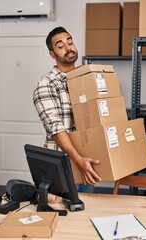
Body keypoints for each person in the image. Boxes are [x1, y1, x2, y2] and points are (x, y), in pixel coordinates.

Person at [33, 26, 102, 188]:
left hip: (86, 160)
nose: (68, 48)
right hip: (61, 163)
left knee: (85, 209)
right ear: (52, 54)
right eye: (60, 46)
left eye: (70, 42)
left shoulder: (86, 80)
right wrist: (78, 161)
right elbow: (55, 128)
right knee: (62, 210)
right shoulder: (46, 84)